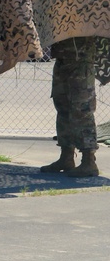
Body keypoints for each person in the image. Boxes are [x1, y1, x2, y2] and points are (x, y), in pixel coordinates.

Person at [40, 37, 100, 177]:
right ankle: (66, 157)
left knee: (82, 109)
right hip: (62, 58)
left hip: (81, 60)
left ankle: (89, 160)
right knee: (62, 107)